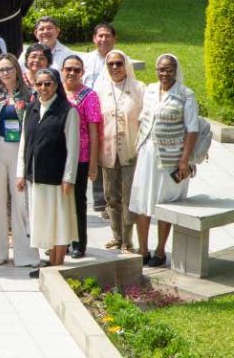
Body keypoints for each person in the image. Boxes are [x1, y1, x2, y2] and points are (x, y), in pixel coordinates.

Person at [129, 54, 199, 268]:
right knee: (142, 201)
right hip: (147, 153)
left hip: (171, 157)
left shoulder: (185, 95)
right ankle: (142, 249)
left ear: (176, 71)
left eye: (169, 69)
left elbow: (192, 129)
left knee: (166, 203)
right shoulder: (150, 90)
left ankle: (160, 250)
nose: (164, 73)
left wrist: (184, 161)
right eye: (161, 69)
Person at [17, 68, 80, 278]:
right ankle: (50, 263)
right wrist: (21, 173)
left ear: (56, 85)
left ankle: (57, 265)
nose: (43, 88)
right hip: (36, 177)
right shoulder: (31, 109)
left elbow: (73, 148)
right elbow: (24, 143)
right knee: (43, 222)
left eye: (48, 84)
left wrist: (68, 178)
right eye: (39, 84)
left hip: (57, 178)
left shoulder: (67, 111)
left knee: (59, 222)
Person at [95, 49, 145, 253]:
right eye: (111, 64)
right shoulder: (100, 88)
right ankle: (116, 236)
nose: (115, 67)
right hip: (108, 151)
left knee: (128, 197)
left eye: (119, 63)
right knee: (111, 196)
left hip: (131, 150)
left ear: (126, 65)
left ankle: (128, 240)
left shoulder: (138, 88)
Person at [0, 54, 32, 266]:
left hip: (20, 149)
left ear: (17, 70)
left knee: (21, 201)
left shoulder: (29, 94)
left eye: (9, 69)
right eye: (1, 70)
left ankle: (26, 254)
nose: (5, 73)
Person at [62, 54, 101, 258]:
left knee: (77, 201)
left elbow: (94, 131)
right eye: (68, 69)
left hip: (81, 156)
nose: (72, 73)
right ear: (62, 71)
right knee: (61, 201)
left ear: (83, 73)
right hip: (59, 156)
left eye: (77, 70)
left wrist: (93, 163)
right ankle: (63, 241)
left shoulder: (89, 96)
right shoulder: (57, 92)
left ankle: (79, 243)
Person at [82, 22, 117, 89]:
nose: (104, 39)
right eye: (100, 36)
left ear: (114, 39)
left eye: (108, 36)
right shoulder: (85, 59)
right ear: (94, 39)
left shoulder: (121, 61)